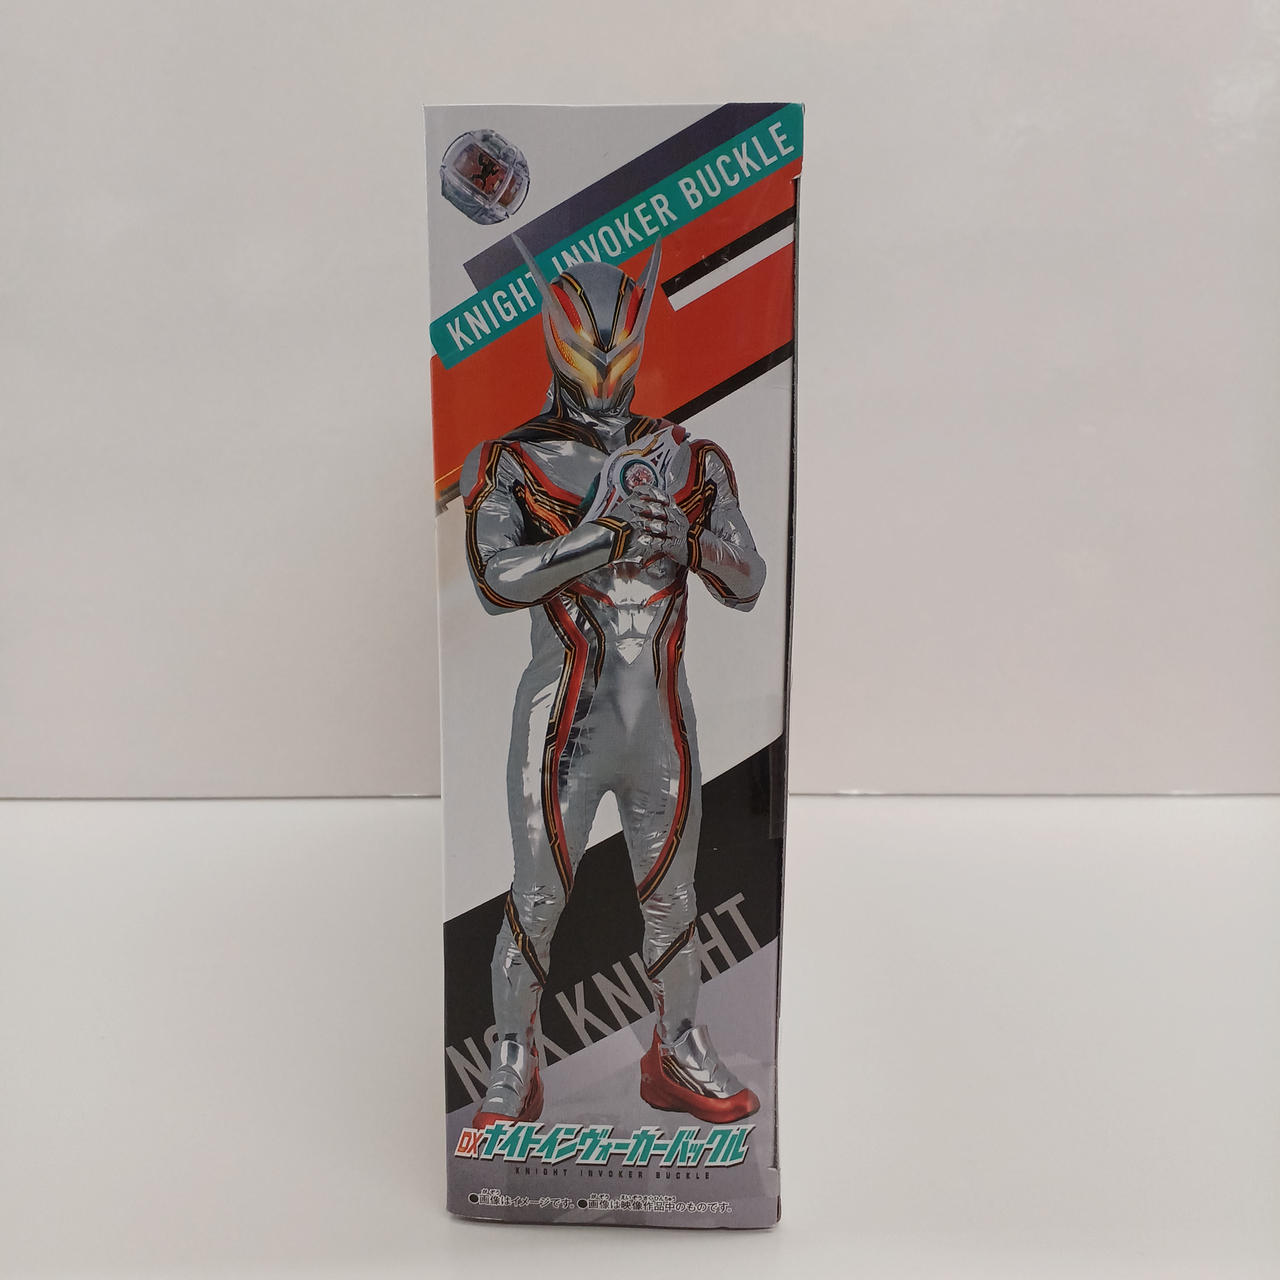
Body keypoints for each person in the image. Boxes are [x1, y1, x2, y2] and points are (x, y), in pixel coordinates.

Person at [460, 237, 766, 1128]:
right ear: (556, 343)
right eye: (589, 356)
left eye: (619, 356)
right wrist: (600, 536)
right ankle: (515, 1057)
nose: (605, 377)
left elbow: (749, 580)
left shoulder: (690, 458)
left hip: (660, 718)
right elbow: (494, 580)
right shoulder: (509, 460)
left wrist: (686, 542)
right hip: (561, 720)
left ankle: (678, 1048)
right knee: (537, 897)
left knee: (674, 898)